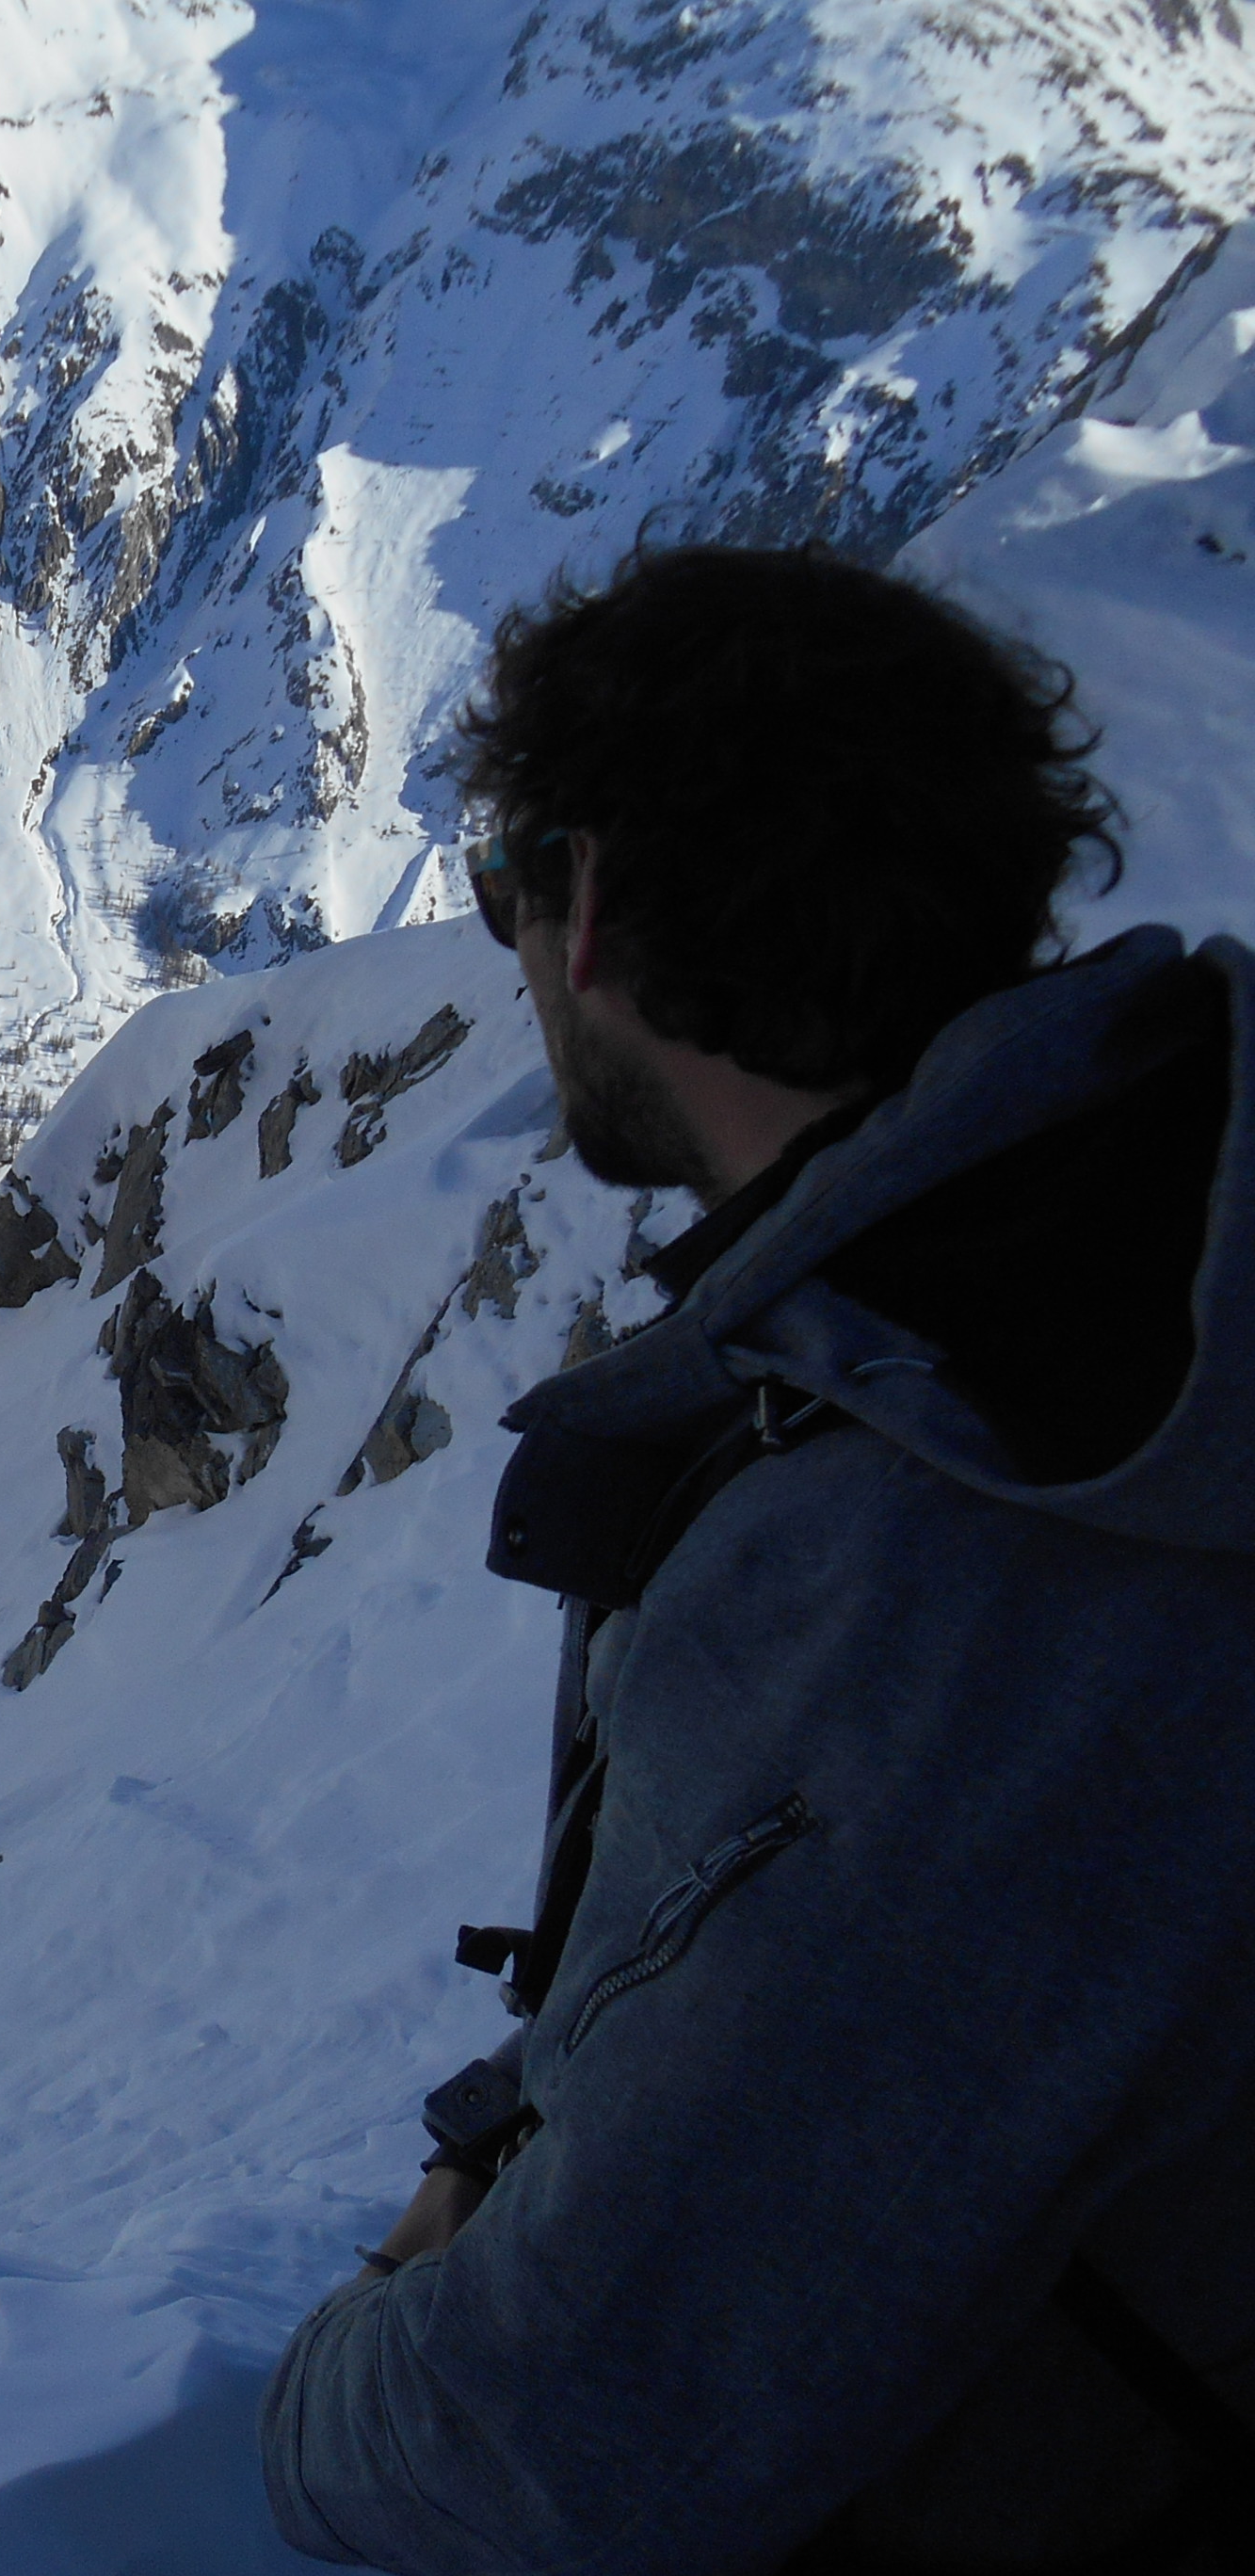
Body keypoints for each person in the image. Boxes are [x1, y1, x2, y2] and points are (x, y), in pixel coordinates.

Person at [259, 545, 1255, 2573]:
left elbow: (553, 2437)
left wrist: (342, 2362)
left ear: (594, 910)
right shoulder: (1141, 1258)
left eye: (501, 893)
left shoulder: (943, 1533)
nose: (511, 960)